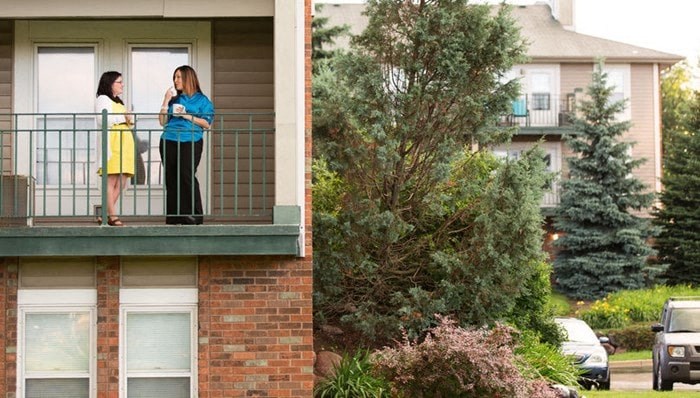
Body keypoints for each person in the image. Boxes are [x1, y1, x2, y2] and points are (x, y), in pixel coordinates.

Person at [158, 65, 214, 225]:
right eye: (174, 77)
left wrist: (187, 116)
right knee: (171, 178)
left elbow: (206, 123)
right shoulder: (174, 100)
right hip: (168, 140)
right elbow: (163, 122)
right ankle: (174, 217)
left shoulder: (202, 101)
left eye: (179, 77)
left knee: (186, 175)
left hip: (191, 140)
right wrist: (165, 100)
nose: (175, 81)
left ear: (188, 78)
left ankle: (193, 216)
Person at [96, 71, 135, 226]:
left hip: (125, 142)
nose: (122, 84)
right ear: (110, 83)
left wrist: (129, 120)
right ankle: (112, 216)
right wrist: (123, 118)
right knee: (111, 180)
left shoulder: (119, 101)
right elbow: (102, 119)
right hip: (113, 142)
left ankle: (105, 215)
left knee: (122, 181)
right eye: (119, 82)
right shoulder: (103, 99)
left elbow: (126, 120)